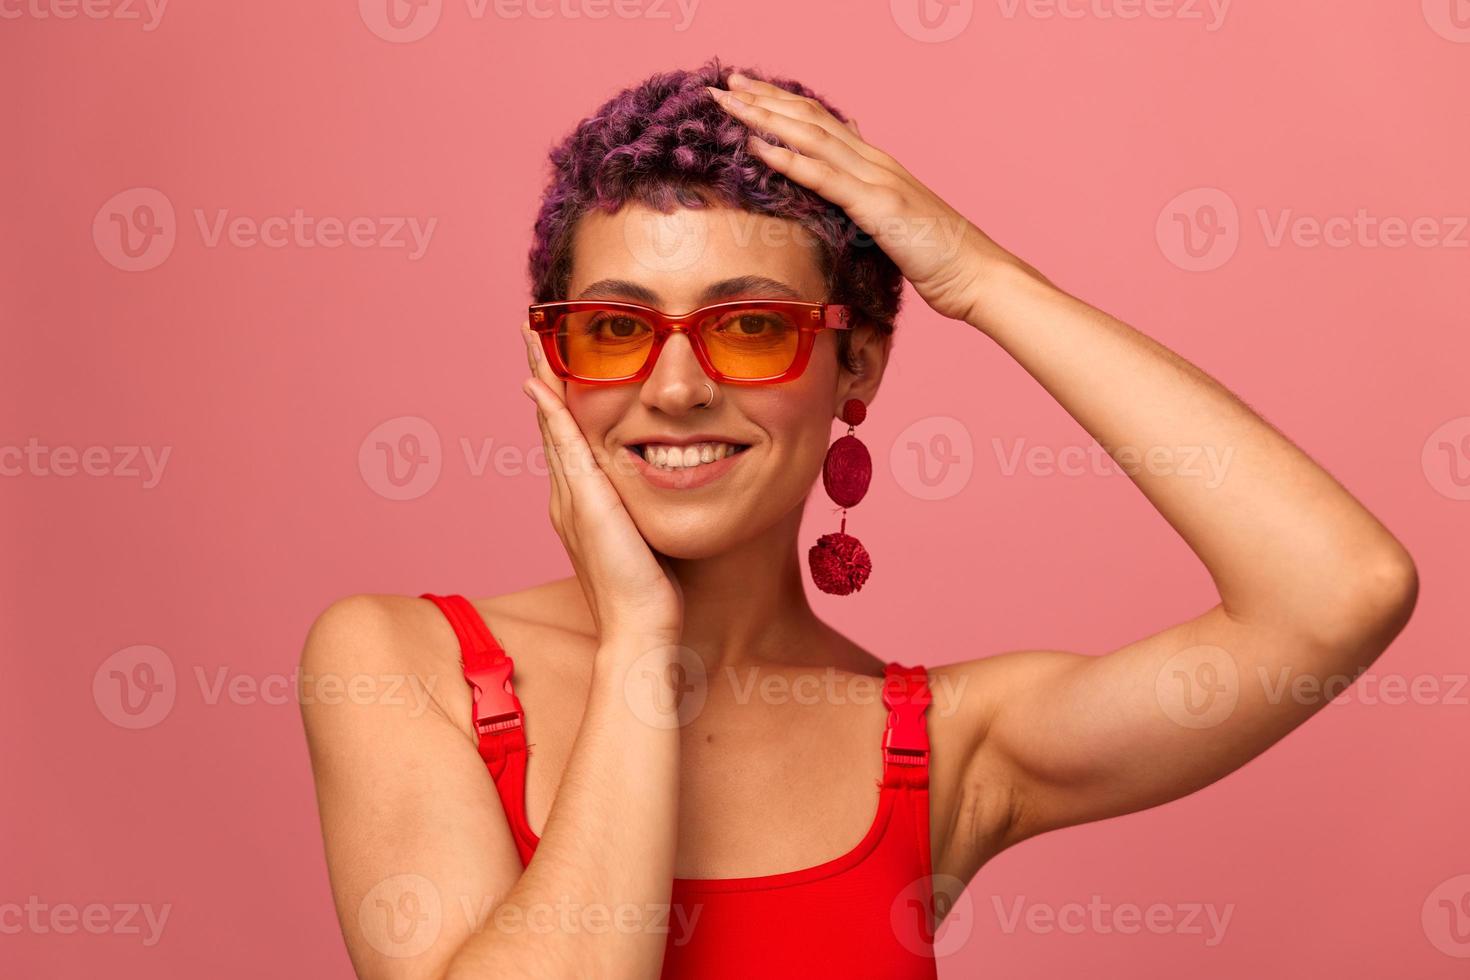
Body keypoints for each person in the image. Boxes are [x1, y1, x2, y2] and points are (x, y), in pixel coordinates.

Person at [299, 57, 1418, 979]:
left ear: (856, 365)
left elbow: (1337, 593)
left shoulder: (943, 747)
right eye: (612, 327)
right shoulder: (406, 661)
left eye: (748, 327)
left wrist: (978, 276)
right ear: (552, 360)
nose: (677, 386)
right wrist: (640, 639)